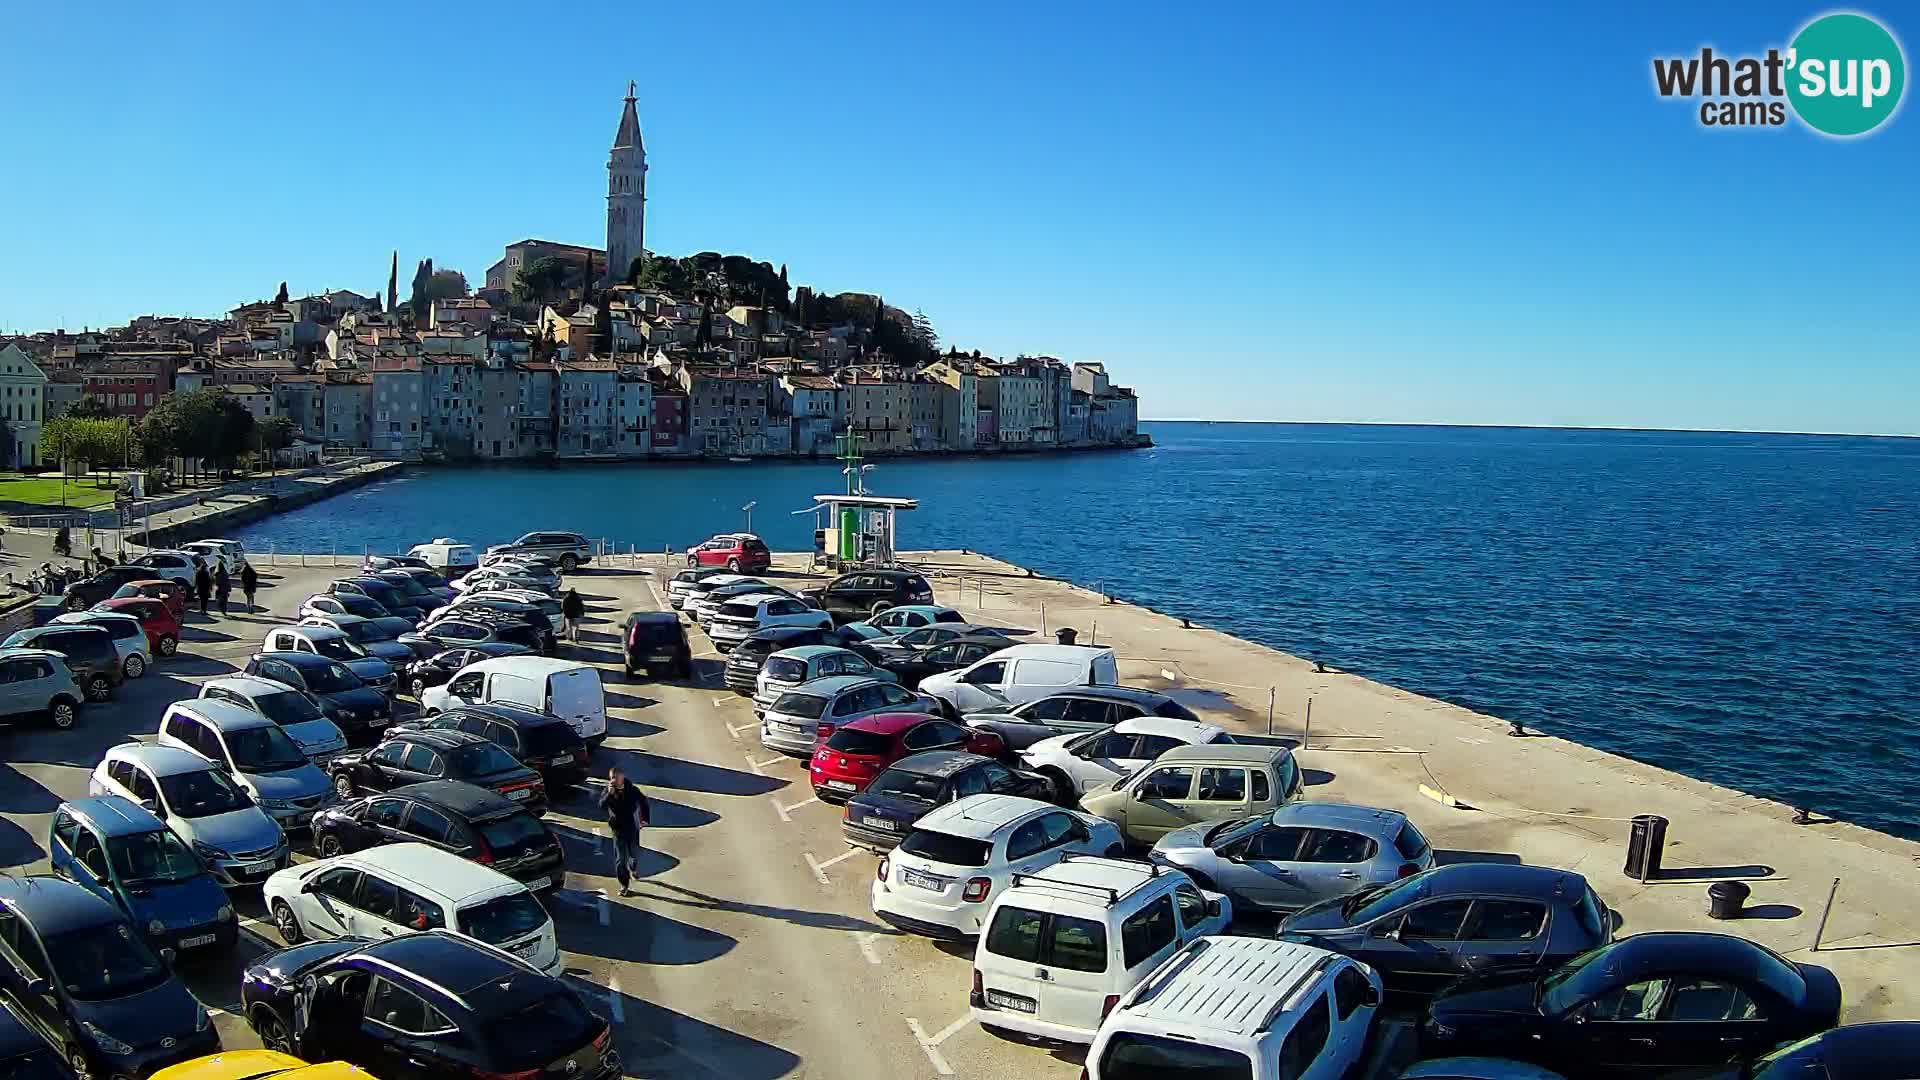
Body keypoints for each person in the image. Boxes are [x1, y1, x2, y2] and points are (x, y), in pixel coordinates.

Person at [599, 767, 650, 897]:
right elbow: (601, 806)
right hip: (618, 830)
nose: (614, 780)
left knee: (633, 853)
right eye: (612, 778)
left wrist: (645, 819)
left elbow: (643, 801)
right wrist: (609, 794)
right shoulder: (608, 791)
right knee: (620, 860)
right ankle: (624, 885)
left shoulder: (631, 790)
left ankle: (633, 867)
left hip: (632, 827)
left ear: (622, 777)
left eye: (616, 777)